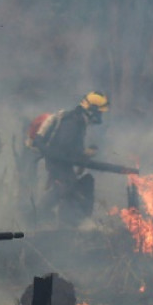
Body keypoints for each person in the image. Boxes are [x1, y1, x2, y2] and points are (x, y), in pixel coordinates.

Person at [35, 91, 110, 226]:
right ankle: (42, 219)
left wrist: (84, 154)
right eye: (99, 112)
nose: (100, 116)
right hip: (58, 163)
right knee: (67, 189)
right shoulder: (73, 123)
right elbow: (64, 149)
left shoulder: (78, 120)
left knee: (66, 189)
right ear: (91, 110)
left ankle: (40, 218)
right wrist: (83, 154)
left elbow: (69, 149)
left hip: (60, 163)